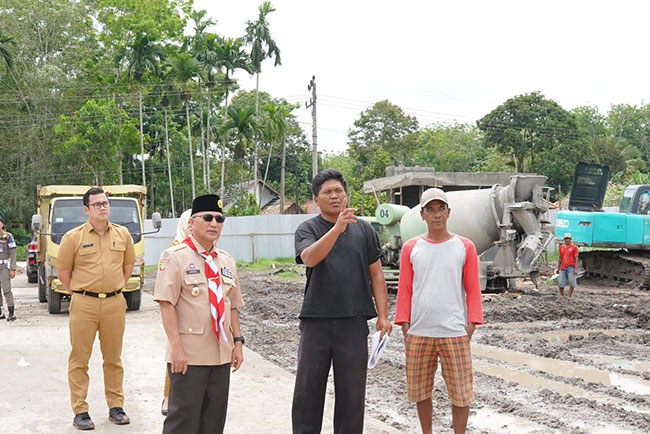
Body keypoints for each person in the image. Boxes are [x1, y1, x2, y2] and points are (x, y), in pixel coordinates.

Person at [292, 169, 392, 434]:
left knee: (352, 395)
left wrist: (383, 315)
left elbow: (376, 274)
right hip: (316, 323)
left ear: (346, 196)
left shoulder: (365, 230)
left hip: (353, 323)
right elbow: (310, 258)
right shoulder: (308, 228)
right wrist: (337, 229)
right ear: (316, 199)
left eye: (339, 191)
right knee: (307, 392)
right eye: (327, 192)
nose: (334, 196)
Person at [394, 188, 483, 434]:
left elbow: (473, 289)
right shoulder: (411, 248)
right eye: (430, 209)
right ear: (422, 215)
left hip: (454, 332)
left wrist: (472, 324)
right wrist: (404, 323)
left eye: (441, 208)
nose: (436, 214)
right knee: (421, 391)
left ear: (448, 212)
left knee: (461, 393)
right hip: (419, 331)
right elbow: (405, 289)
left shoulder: (465, 246)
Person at [154, 194, 244, 434]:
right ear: (192, 223)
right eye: (207, 217)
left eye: (219, 219)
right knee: (182, 422)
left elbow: (232, 305)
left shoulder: (226, 261)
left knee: (213, 423)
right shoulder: (174, 257)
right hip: (189, 356)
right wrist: (176, 349)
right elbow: (166, 305)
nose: (214, 223)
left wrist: (237, 343)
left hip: (221, 355)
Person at [56, 187, 136, 430]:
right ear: (86, 209)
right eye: (98, 204)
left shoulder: (123, 235)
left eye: (105, 203)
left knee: (114, 359)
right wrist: (79, 293)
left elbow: (128, 265)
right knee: (80, 359)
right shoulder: (73, 237)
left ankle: (116, 407)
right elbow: (63, 272)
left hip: (114, 303)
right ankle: (80, 411)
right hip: (84, 304)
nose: (103, 207)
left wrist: (116, 288)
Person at [160, 208, 192, 417]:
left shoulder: (212, 251)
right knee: (175, 352)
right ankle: (168, 395)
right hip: (180, 314)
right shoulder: (173, 251)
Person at [0, 217, 17, 321]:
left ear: (2, 224)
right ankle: (1, 312)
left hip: (4, 267)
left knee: (6, 289)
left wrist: (13, 269)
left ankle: (11, 313)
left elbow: (13, 253)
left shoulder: (8, 236)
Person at [556, 233, 579, 297]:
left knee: (572, 283)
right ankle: (562, 296)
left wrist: (576, 269)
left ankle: (569, 296)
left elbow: (576, 258)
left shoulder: (574, 247)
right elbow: (560, 257)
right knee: (561, 283)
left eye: (568, 239)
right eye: (566, 239)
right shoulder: (561, 247)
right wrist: (558, 268)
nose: (567, 240)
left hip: (571, 266)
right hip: (563, 267)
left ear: (570, 239)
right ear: (564, 239)